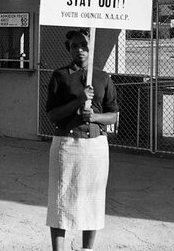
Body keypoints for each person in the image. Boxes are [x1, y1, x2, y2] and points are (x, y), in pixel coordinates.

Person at [45, 29, 119, 251]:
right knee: (61, 199)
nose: (80, 50)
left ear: (91, 47)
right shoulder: (60, 76)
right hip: (66, 145)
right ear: (68, 48)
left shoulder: (103, 77)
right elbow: (52, 115)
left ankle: (87, 249)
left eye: (85, 45)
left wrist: (95, 117)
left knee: (92, 200)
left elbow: (114, 114)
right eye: (75, 45)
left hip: (94, 147)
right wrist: (78, 102)